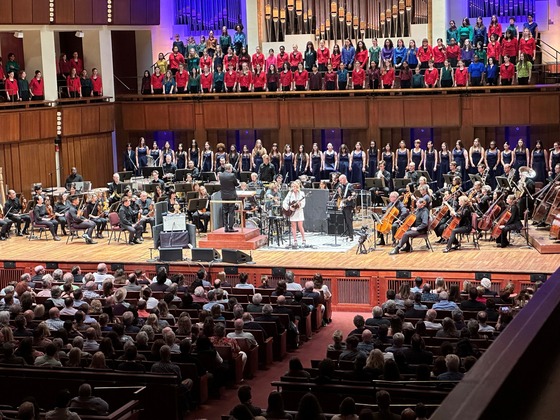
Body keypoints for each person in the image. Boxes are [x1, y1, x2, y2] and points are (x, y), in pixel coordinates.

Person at [283, 181, 306, 247]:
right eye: (292, 186)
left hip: (299, 211)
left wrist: (299, 205)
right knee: (293, 225)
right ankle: (295, 240)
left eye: (295, 186)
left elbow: (303, 203)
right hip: (292, 212)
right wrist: (289, 207)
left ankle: (303, 239)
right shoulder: (290, 193)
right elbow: (285, 202)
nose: (293, 188)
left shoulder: (302, 193)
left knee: (300, 225)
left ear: (297, 187)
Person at [219, 163, 239, 232]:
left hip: (224, 195)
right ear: (230, 169)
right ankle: (230, 227)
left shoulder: (220, 175)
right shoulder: (232, 175)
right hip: (231, 196)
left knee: (225, 211)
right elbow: (236, 184)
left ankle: (226, 227)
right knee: (231, 211)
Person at [337, 174, 355, 241]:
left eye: (340, 180)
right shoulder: (341, 186)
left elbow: (354, 194)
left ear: (344, 179)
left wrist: (351, 197)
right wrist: (339, 193)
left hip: (349, 206)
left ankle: (351, 236)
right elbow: (342, 196)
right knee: (346, 221)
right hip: (344, 205)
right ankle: (348, 234)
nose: (340, 182)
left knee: (349, 221)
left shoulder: (349, 186)